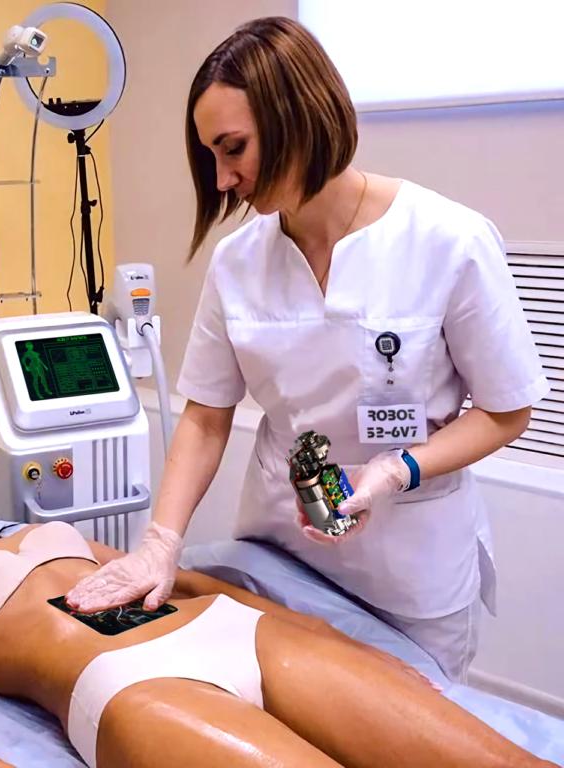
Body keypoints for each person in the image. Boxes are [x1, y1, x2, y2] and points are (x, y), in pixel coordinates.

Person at [66, 16, 550, 685]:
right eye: (212, 157)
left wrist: (395, 470)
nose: (223, 179)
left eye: (234, 149)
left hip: (411, 569)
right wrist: (159, 542)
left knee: (398, 726)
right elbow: (205, 417)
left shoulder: (448, 240)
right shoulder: (238, 262)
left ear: (297, 116)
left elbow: (506, 411)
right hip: (282, 551)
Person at [0, 448, 554, 768]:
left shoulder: (41, 532)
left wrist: (329, 636)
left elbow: (176, 578)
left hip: (236, 632)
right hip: (132, 684)